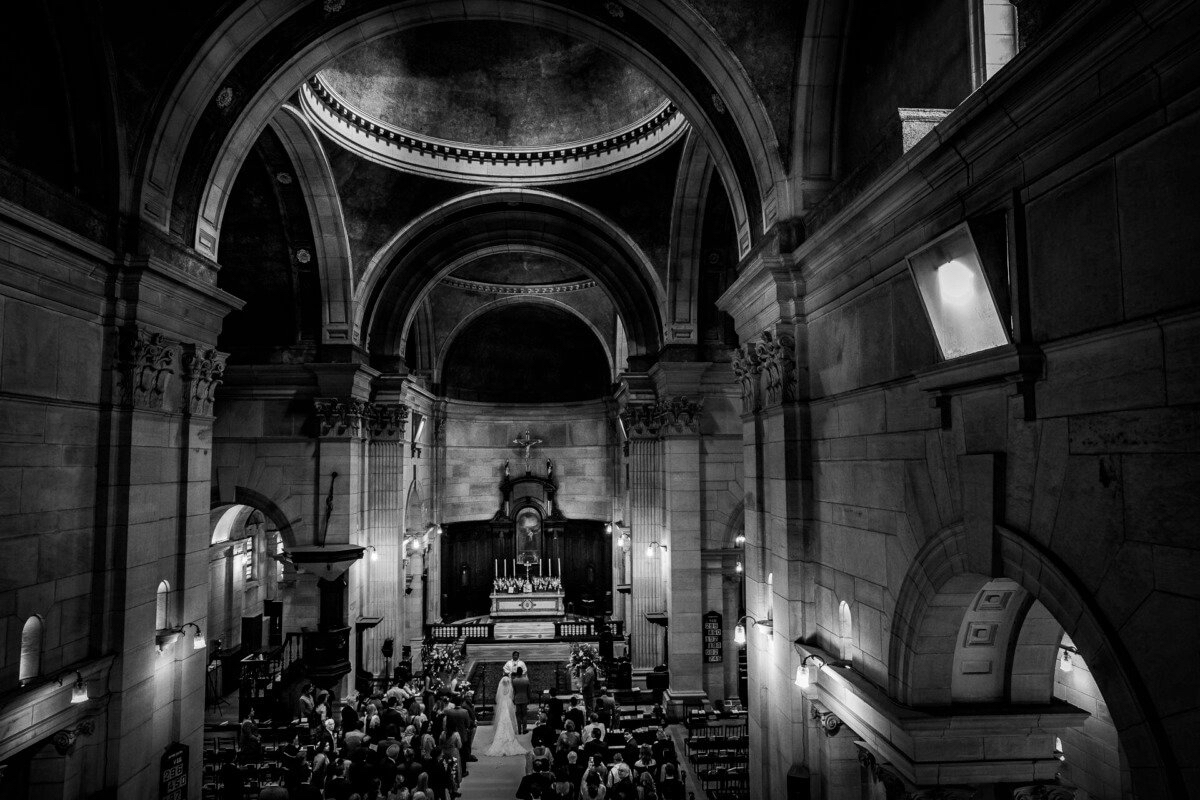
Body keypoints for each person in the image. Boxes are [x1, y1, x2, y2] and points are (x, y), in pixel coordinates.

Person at [483, 675, 527, 756]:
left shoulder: (501, 689)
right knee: (509, 719)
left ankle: (499, 737)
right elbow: (511, 695)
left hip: (502, 704)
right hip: (508, 703)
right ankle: (511, 736)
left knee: (501, 720)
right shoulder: (510, 688)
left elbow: (498, 697)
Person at [511, 665, 532, 734]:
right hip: (525, 698)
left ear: (517, 672)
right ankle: (524, 729)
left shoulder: (514, 681)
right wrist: (529, 698)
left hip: (517, 698)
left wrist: (513, 698)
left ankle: (519, 730)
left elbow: (514, 691)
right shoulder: (526, 680)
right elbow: (528, 691)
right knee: (524, 715)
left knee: (518, 715)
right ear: (522, 672)